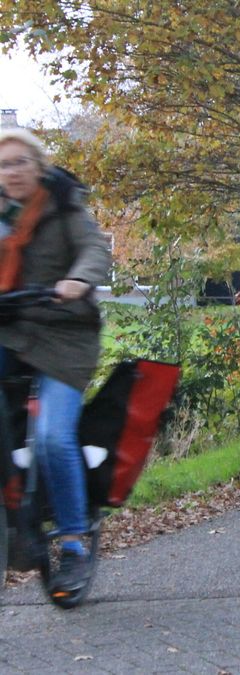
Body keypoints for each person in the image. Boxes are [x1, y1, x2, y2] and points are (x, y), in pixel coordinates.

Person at [0, 128, 111, 593]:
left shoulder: (64, 205)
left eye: (20, 162)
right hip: (10, 331)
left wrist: (78, 281)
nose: (12, 172)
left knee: (51, 437)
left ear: (39, 165)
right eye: (4, 166)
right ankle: (16, 509)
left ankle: (72, 541)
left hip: (64, 334)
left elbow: (95, 249)